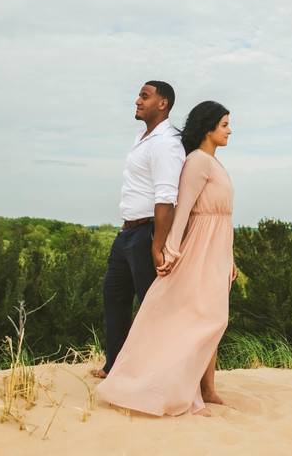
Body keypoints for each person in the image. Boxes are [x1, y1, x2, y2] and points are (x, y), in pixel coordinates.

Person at [96, 101, 237, 416]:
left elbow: (225, 220)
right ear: (209, 127)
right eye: (225, 124)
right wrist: (170, 250)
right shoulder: (197, 162)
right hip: (199, 251)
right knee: (203, 318)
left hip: (217, 251)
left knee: (214, 319)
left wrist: (231, 259)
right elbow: (183, 209)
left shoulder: (215, 164)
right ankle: (177, 385)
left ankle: (208, 388)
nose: (230, 130)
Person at [90, 81, 186, 379]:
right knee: (114, 297)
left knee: (153, 306)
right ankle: (116, 367)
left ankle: (163, 374)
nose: (137, 101)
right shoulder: (143, 137)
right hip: (126, 234)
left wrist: (158, 245)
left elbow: (166, 197)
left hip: (148, 233)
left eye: (145, 96)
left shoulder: (166, 143)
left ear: (163, 103)